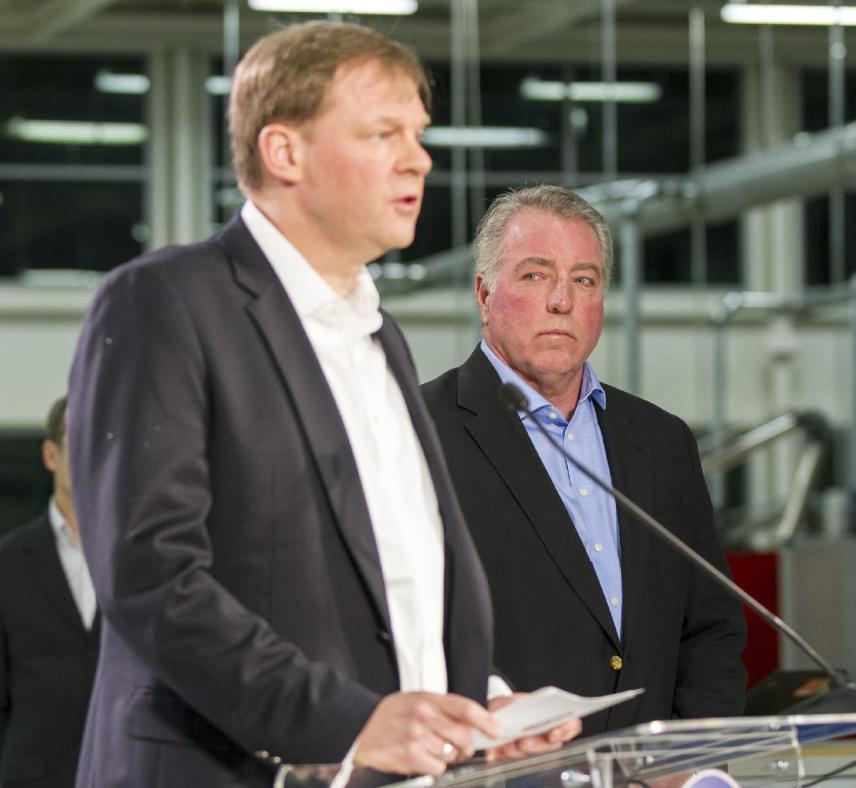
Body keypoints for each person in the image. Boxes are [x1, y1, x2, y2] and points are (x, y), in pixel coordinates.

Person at [67, 23, 575, 788]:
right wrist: (349, 724)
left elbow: (395, 584)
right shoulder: (166, 301)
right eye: (382, 133)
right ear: (284, 153)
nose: (418, 158)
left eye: (418, 134)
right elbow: (151, 575)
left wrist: (476, 713)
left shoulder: (380, 336)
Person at [422, 186, 747, 737]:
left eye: (584, 279)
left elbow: (711, 626)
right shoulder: (421, 429)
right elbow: (411, 626)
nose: (562, 301)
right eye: (535, 275)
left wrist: (690, 754)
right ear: (484, 293)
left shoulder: (662, 441)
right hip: (502, 767)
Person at [0, 397, 99, 788]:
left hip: (122, 772)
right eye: (79, 441)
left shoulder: (140, 559)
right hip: (34, 775)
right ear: (50, 454)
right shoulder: (7, 562)